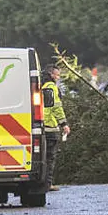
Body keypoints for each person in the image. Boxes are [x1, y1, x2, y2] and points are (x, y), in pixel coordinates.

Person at [41, 64, 70, 192]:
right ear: (51, 75)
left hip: (40, 126)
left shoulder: (39, 86)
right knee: (50, 157)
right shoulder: (51, 87)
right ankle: (48, 184)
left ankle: (42, 183)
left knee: (42, 157)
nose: (58, 77)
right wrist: (64, 123)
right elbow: (56, 107)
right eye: (57, 75)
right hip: (51, 126)